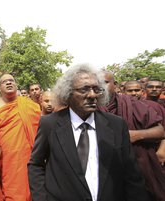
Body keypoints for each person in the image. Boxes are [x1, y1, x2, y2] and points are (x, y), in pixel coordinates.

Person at [28, 63, 150, 201]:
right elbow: (35, 165)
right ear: (67, 93)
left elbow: (131, 172)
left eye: (96, 89)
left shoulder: (116, 124)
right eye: (84, 89)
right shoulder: (49, 124)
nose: (92, 95)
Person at [102, 71, 165, 200]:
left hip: (136, 165)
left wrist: (135, 135)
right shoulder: (87, 108)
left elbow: (160, 131)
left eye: (105, 82)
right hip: (103, 168)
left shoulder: (133, 105)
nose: (100, 86)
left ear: (115, 84)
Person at [0, 74, 41, 201]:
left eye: (11, 80)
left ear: (16, 85)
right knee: (11, 191)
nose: (8, 83)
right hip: (6, 159)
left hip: (29, 157)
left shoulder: (31, 106)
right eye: (4, 81)